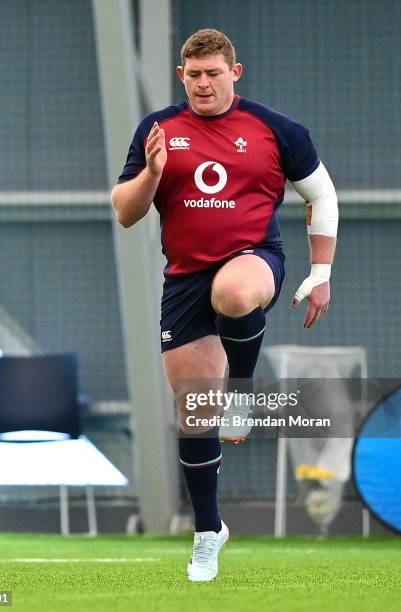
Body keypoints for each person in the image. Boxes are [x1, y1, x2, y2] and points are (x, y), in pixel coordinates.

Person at [111, 28, 338, 582]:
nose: (203, 83)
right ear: (181, 76)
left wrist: (321, 273)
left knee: (234, 294)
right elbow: (124, 211)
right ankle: (208, 534)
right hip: (184, 279)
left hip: (253, 259)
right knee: (193, 417)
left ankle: (243, 386)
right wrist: (153, 174)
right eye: (194, 75)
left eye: (214, 73)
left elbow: (321, 196)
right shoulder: (159, 130)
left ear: (235, 72)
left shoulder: (277, 130)